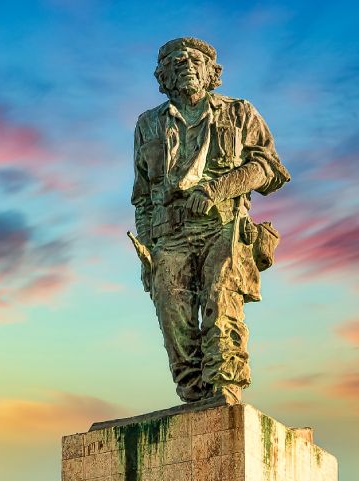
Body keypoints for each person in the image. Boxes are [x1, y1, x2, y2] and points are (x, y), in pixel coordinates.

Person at [131, 37, 290, 404]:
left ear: (211, 72)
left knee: (221, 298)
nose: (185, 64)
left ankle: (225, 386)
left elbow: (270, 169)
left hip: (223, 226)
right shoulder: (148, 125)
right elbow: (142, 196)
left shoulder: (238, 113)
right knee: (172, 312)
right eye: (175, 61)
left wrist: (218, 189)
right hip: (170, 233)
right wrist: (148, 249)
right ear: (164, 76)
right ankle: (193, 392)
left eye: (194, 60)